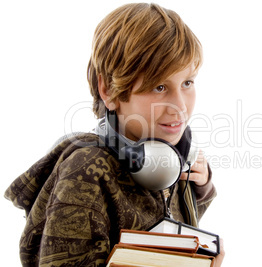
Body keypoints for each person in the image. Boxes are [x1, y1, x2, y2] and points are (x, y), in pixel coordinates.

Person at [5, 3, 224, 266]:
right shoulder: (86, 173)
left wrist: (199, 191)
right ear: (108, 90)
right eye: (159, 86)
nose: (179, 106)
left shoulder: (164, 157)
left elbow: (156, 221)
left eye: (187, 82)